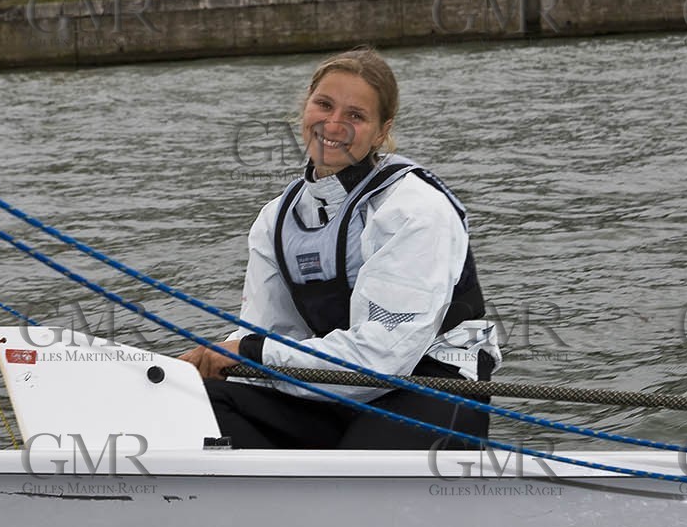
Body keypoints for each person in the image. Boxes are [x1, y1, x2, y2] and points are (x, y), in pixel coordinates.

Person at [181, 47, 500, 449]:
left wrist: (249, 352)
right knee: (195, 401)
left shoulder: (415, 208)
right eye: (324, 105)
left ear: (381, 132)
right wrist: (204, 363)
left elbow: (385, 356)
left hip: (431, 381)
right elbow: (267, 335)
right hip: (333, 389)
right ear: (306, 107)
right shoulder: (275, 219)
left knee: (362, 458)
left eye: (355, 116)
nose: (334, 125)